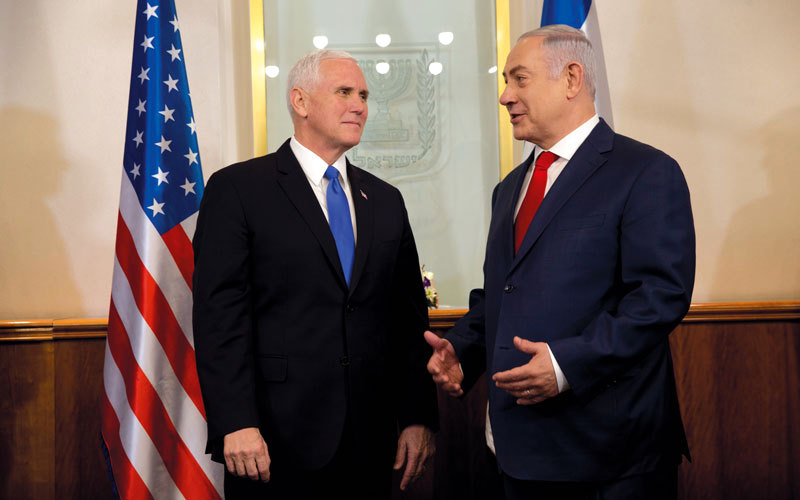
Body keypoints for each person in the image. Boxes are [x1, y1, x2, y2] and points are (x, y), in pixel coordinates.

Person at [425, 25, 695, 500]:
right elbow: (503, 291)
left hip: (608, 458)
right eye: (505, 82)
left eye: (519, 78)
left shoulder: (646, 171)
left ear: (571, 78)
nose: (505, 96)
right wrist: (462, 352)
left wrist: (566, 364)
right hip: (514, 451)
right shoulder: (510, 187)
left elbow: (659, 298)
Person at [193, 49, 437, 500]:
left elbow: (408, 321)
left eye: (364, 95)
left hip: (369, 441)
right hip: (272, 441)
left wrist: (417, 416)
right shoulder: (238, 189)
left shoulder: (385, 200)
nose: (359, 105)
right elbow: (219, 319)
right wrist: (236, 421)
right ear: (300, 101)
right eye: (344, 92)